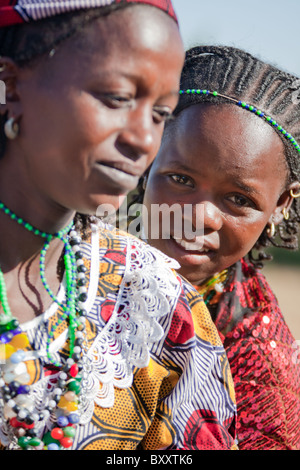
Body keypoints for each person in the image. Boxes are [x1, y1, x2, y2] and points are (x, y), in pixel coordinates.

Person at [0, 3, 237, 451]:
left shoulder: (159, 306)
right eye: (116, 98)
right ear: (11, 86)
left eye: (160, 114)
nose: (143, 140)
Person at [137, 45, 300, 450]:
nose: (201, 217)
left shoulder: (263, 382)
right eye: (181, 179)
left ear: (280, 205)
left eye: (239, 200)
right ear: (149, 158)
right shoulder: (64, 274)